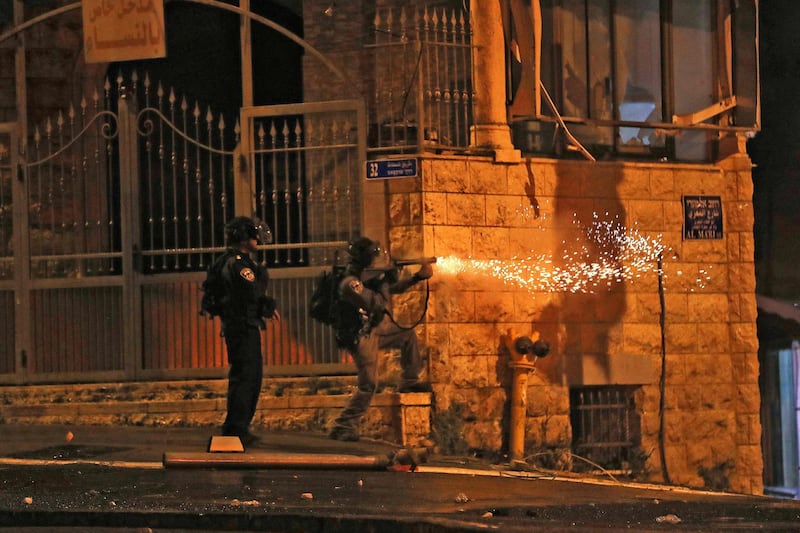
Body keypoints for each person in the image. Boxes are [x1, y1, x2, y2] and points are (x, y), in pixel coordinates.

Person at [329, 237, 433, 442]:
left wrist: (417, 278)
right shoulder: (350, 283)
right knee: (369, 384)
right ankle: (343, 426)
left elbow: (393, 289)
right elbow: (377, 303)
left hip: (372, 329)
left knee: (407, 335)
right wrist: (385, 280)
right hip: (360, 336)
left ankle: (409, 380)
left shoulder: (364, 278)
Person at [219, 216, 280, 445]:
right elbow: (249, 295)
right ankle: (236, 429)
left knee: (250, 377)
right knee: (246, 377)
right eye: (253, 234)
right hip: (242, 327)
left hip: (243, 325)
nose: (257, 238)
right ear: (244, 238)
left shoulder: (238, 262)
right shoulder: (238, 264)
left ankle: (239, 427)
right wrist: (265, 302)